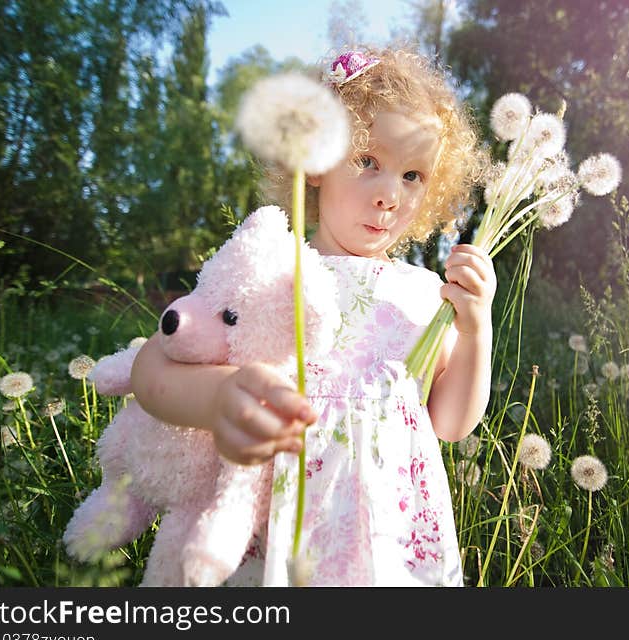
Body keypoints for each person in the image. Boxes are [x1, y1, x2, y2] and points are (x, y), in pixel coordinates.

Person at [130, 46, 494, 586]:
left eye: (413, 175)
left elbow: (451, 423)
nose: (390, 195)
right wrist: (220, 396)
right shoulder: (271, 267)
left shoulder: (422, 294)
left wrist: (475, 329)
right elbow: (152, 371)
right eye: (367, 161)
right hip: (279, 520)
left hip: (389, 539)